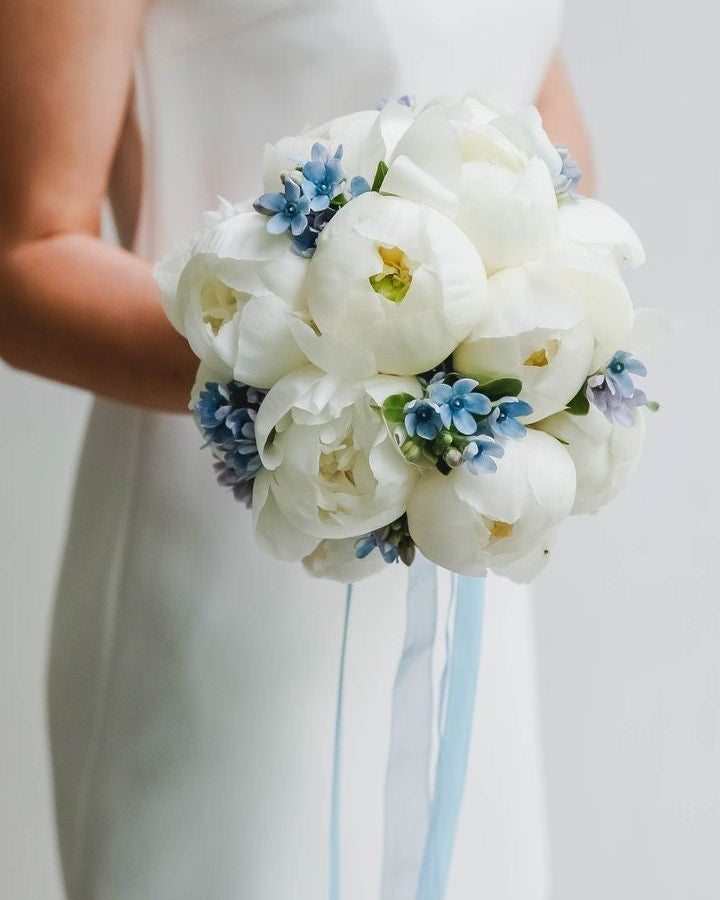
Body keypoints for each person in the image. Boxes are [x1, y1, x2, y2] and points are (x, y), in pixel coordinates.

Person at [0, 1, 594, 897]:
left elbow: (551, 171)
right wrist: (325, 378)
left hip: (452, 531)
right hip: (221, 531)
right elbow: (28, 255)